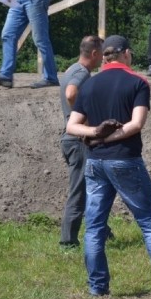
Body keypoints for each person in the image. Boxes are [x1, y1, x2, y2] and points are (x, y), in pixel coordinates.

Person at [66, 35, 151, 298]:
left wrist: (96, 133)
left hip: (95, 162)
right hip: (125, 160)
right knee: (149, 221)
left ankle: (97, 287)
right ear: (126, 54)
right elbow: (136, 124)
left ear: (104, 56)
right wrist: (109, 136)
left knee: (95, 226)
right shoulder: (137, 82)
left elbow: (71, 126)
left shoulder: (89, 85)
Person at [58, 35, 107, 250]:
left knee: (93, 186)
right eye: (102, 53)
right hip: (77, 140)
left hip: (74, 140)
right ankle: (68, 241)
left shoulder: (72, 69)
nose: (103, 58)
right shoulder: (81, 73)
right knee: (79, 190)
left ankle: (103, 230)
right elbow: (71, 93)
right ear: (94, 53)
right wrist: (85, 121)